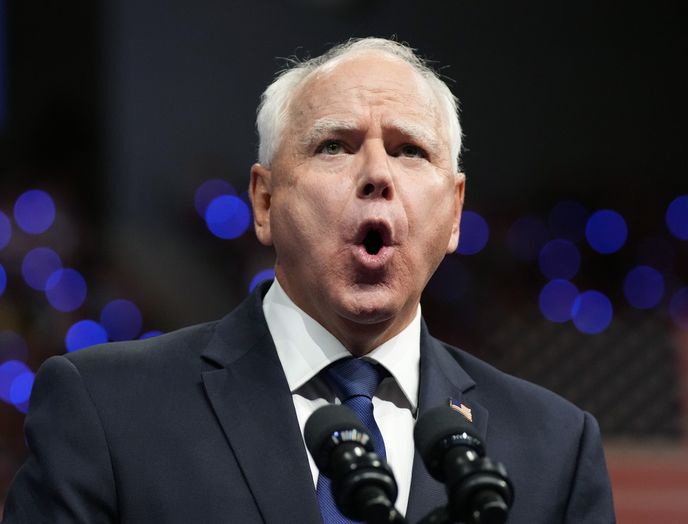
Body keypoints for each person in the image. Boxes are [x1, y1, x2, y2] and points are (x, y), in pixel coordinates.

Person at [2, 38, 615, 523]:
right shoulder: (108, 409)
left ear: (454, 212)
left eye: (409, 151)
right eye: (334, 146)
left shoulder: (554, 448)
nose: (377, 173)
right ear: (264, 202)